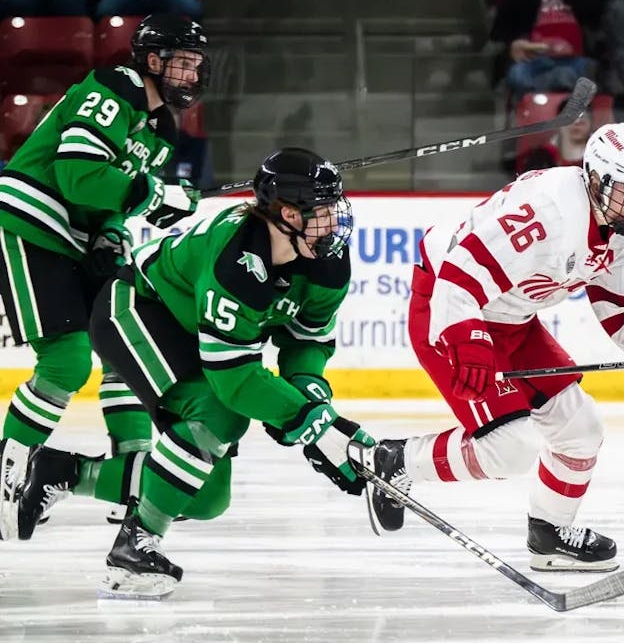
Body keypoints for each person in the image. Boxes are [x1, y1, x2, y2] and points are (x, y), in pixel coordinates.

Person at [363, 123, 624, 572]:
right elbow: (460, 274)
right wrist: (469, 340)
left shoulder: (618, 226)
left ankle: (548, 535)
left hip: (512, 320)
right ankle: (394, 460)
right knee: (511, 447)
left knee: (581, 429)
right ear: (595, 179)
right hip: (451, 308)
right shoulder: (549, 213)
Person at [16, 147, 377, 599]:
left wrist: (313, 402)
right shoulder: (238, 260)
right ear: (288, 213)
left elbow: (306, 341)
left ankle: (64, 472)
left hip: (193, 332)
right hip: (137, 309)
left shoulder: (327, 263)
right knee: (220, 414)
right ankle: (134, 546)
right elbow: (234, 378)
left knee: (206, 498)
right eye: (324, 211)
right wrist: (311, 424)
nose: (336, 221)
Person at [0, 13, 208, 541]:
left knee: (123, 344)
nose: (192, 74)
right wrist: (151, 196)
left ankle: (134, 476)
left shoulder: (162, 128)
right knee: (66, 360)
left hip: (75, 235)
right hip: (32, 221)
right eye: (183, 63)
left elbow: (110, 199)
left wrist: (113, 232)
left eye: (197, 64)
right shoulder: (118, 87)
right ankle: (9, 472)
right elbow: (78, 174)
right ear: (153, 61)